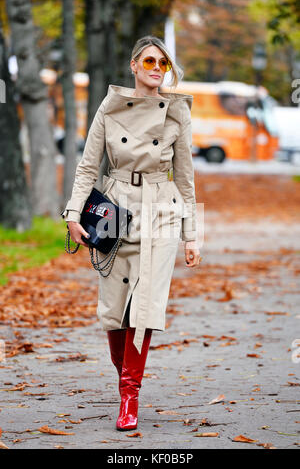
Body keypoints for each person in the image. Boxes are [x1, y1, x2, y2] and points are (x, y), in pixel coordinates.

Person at [61, 35, 201, 431]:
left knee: (144, 309)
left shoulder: (177, 113)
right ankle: (124, 374)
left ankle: (129, 395)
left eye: (163, 64)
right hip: (115, 208)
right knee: (114, 308)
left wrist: (193, 234)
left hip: (161, 209)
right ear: (134, 66)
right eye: (150, 62)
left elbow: (187, 177)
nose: (157, 70)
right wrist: (73, 213)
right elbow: (88, 167)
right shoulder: (109, 107)